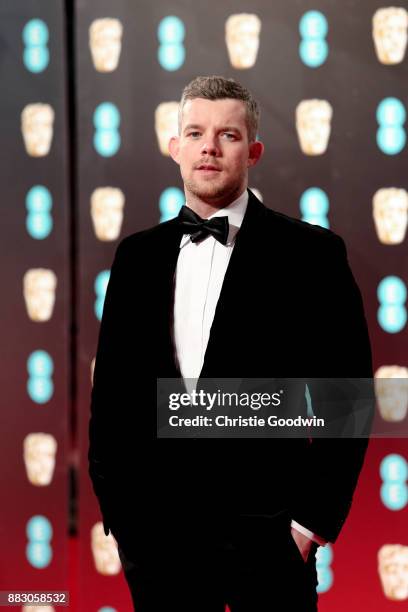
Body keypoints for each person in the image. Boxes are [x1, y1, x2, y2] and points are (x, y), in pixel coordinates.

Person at [88, 76, 373, 611]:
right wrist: (124, 522)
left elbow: (348, 402)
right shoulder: (135, 258)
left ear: (255, 150)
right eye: (195, 132)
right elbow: (112, 401)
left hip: (270, 544)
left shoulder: (313, 256)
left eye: (229, 135)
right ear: (176, 148)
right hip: (157, 546)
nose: (210, 147)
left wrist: (307, 528)